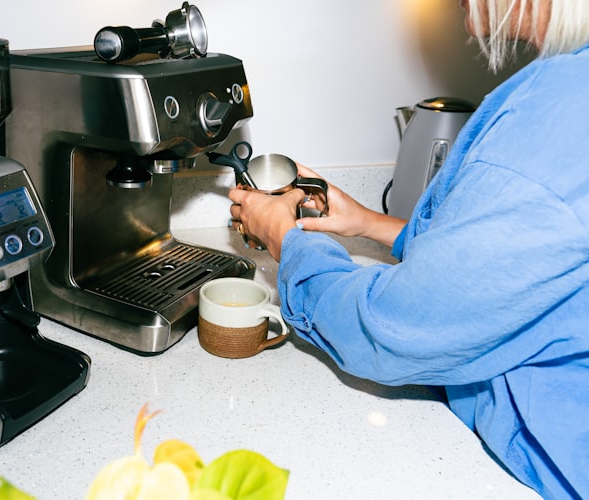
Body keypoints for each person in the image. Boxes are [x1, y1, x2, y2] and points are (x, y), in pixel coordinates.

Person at [228, 0, 589, 498]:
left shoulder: (558, 123)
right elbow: (508, 269)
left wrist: (285, 240)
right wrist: (372, 224)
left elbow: (388, 328)